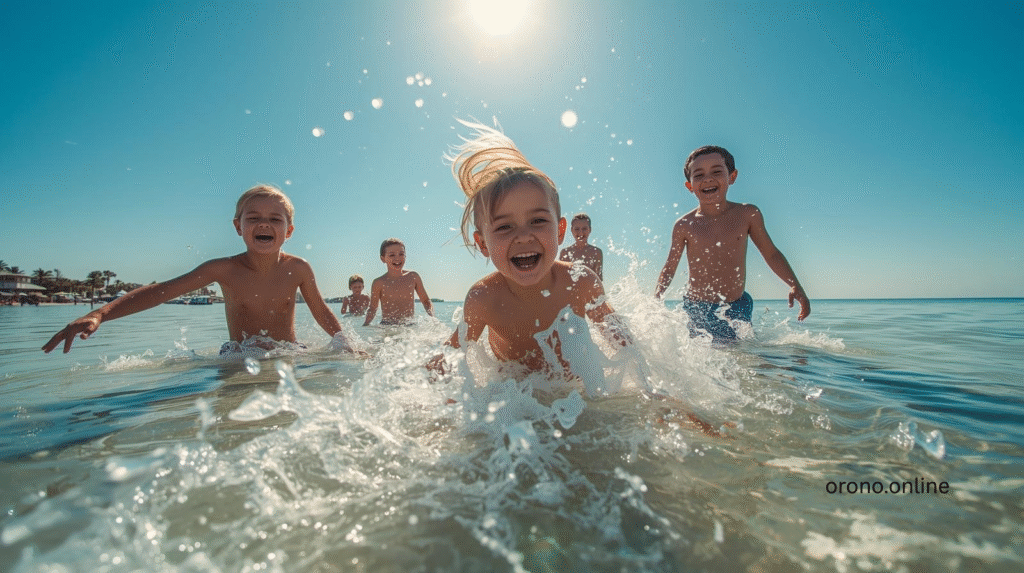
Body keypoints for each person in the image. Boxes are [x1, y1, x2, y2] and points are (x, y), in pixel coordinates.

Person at [428, 120, 641, 394]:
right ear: (482, 243)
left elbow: (626, 346)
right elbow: (451, 356)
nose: (524, 236)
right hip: (516, 392)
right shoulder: (484, 298)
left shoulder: (580, 281)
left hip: (572, 388)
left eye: (538, 221)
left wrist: (658, 395)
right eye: (504, 227)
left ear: (560, 230)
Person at [42, 185, 358, 354]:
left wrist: (347, 344)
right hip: (239, 357)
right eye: (253, 217)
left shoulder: (298, 268)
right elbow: (160, 292)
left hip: (289, 354)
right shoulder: (223, 269)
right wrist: (101, 313)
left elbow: (321, 313)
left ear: (288, 231)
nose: (264, 223)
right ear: (239, 227)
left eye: (276, 218)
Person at [655, 145, 810, 342]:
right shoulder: (685, 225)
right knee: (710, 357)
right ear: (690, 186)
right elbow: (669, 267)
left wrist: (795, 285)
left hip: (738, 304)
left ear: (732, 176)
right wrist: (656, 299)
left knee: (742, 357)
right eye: (699, 175)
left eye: (717, 171)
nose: (708, 179)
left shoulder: (747, 214)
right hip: (699, 307)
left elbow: (771, 253)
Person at [363, 238, 434, 326]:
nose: (397, 258)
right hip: (387, 325)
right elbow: (373, 308)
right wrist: (365, 324)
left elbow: (426, 301)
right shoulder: (379, 282)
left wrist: (433, 318)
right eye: (392, 255)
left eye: (401, 254)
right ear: (383, 259)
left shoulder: (413, 277)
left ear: (405, 256)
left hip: (409, 325)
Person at [558, 213, 603, 280]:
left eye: (584, 229)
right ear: (571, 230)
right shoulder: (565, 253)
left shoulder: (596, 253)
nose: (581, 233)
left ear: (590, 230)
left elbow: (599, 280)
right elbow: (560, 279)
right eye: (576, 229)